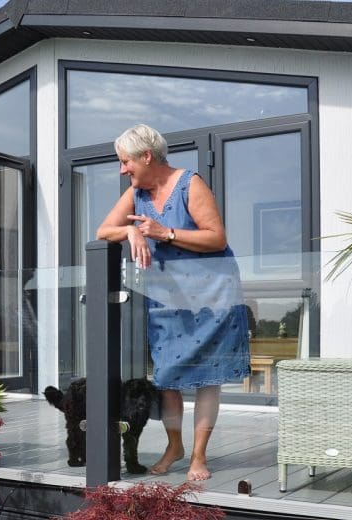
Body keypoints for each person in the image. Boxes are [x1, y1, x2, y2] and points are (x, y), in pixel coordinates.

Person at [96, 124, 250, 482]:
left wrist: (165, 233)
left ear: (146, 156)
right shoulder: (136, 193)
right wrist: (132, 230)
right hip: (167, 299)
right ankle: (174, 445)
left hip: (213, 297)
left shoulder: (189, 184)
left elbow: (216, 238)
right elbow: (103, 231)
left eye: (125, 162)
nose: (123, 170)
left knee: (208, 380)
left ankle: (198, 455)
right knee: (167, 378)